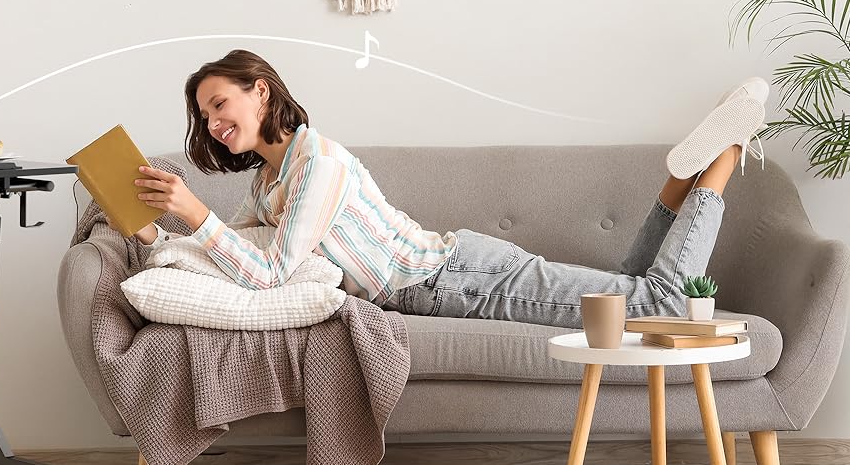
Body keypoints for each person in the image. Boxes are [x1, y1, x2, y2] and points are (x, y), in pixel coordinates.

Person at [124, 49, 766, 329]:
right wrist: (154, 231)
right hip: (455, 274)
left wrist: (195, 211)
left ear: (260, 91)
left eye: (220, 103)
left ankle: (727, 152)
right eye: (204, 115)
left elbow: (270, 273)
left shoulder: (317, 161)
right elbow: (232, 254)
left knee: (654, 305)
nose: (214, 123)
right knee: (626, 290)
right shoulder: (269, 181)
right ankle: (681, 177)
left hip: (456, 280)